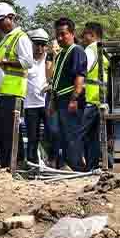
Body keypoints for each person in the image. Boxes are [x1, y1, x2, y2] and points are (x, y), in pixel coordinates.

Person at [0, 3, 34, 169]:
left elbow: (27, 62)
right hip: (1, 93)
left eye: (1, 20)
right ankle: (5, 167)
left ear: (11, 17)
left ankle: (17, 167)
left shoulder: (20, 37)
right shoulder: (5, 40)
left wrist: (4, 61)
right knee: (1, 133)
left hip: (14, 93)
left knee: (11, 133)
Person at [49, 18, 87, 172]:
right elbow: (55, 80)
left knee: (72, 134)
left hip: (70, 100)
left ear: (72, 33)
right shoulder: (60, 54)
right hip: (59, 100)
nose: (59, 38)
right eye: (58, 35)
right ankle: (66, 166)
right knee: (61, 134)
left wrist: (74, 99)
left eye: (63, 34)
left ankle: (77, 167)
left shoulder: (76, 50)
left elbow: (79, 76)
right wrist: (52, 102)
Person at [81, 22, 109, 170]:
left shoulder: (90, 50)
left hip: (91, 100)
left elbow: (82, 72)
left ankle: (78, 165)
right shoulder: (105, 51)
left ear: (92, 35)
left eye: (85, 34)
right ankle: (92, 167)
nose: (82, 37)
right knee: (94, 136)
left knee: (80, 133)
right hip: (104, 100)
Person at [24, 29, 51, 166]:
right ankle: (32, 165)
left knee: (52, 134)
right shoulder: (26, 61)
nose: (40, 48)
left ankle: (52, 163)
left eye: (42, 45)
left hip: (47, 105)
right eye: (37, 44)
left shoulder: (51, 59)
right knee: (32, 138)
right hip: (30, 105)